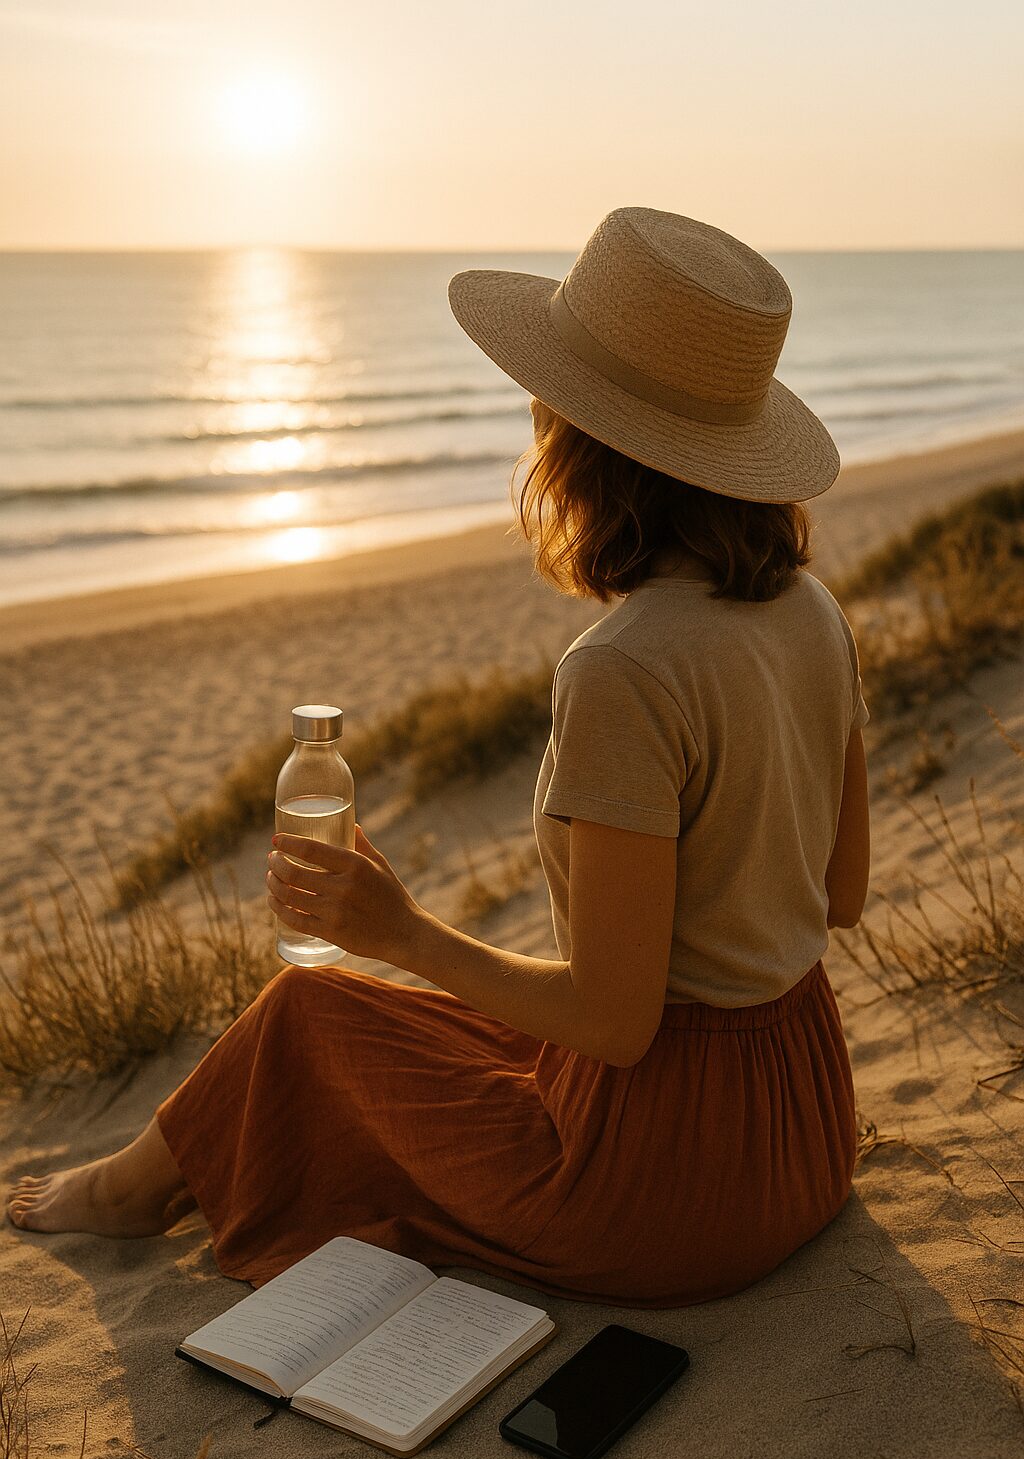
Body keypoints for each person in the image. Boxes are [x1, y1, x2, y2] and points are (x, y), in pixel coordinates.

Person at [7, 208, 870, 1309]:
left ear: (583, 444)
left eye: (546, 402)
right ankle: (141, 1177)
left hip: (663, 1187)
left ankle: (131, 1192)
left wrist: (401, 932)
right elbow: (841, 897)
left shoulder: (624, 669)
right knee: (432, 1033)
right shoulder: (813, 612)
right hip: (802, 1124)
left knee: (311, 1013)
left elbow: (615, 1026)